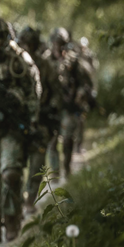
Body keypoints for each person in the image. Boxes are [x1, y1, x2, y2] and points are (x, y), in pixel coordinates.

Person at [0, 16, 41, 244]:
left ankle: (13, 220)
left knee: (11, 174)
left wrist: (30, 118)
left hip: (13, 126)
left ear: (7, 38)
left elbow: (33, 89)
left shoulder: (19, 60)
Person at [17, 26, 60, 211]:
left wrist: (51, 109)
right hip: (17, 120)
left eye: (30, 44)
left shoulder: (45, 65)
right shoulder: (15, 63)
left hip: (41, 119)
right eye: (24, 44)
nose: (27, 48)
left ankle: (30, 200)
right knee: (13, 164)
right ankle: (16, 201)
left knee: (36, 163)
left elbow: (56, 90)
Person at [50, 28, 97, 179]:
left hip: (68, 106)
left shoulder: (74, 61)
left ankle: (66, 167)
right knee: (51, 141)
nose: (57, 47)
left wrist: (80, 93)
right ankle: (55, 171)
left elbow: (86, 82)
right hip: (51, 106)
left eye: (59, 44)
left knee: (67, 139)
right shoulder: (46, 60)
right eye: (55, 43)